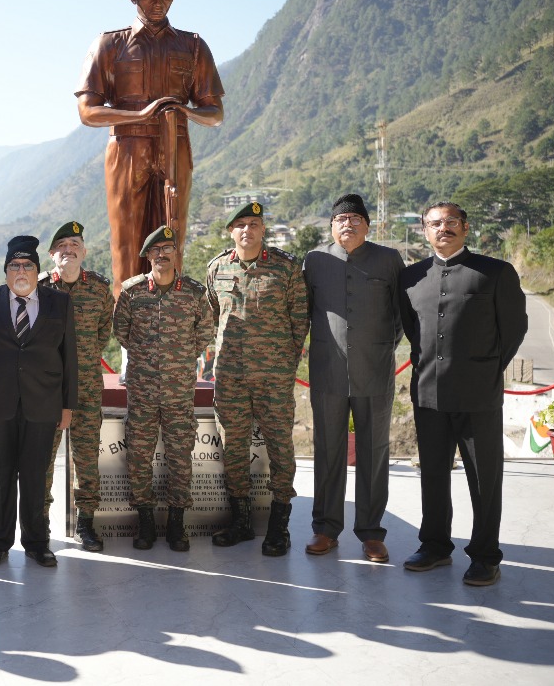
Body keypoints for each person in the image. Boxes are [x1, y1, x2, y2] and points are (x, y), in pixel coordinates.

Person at [76, 0, 224, 294]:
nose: (159, 1)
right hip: (127, 152)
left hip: (176, 148)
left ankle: (171, 314)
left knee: (172, 242)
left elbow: (215, 112)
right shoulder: (108, 45)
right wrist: (139, 114)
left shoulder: (193, 46)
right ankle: (127, 317)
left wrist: (184, 111)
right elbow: (87, 111)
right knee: (128, 249)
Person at [399, 202, 527, 586]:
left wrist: (484, 369)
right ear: (425, 231)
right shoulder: (410, 278)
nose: (444, 228)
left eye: (451, 221)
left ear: (465, 227)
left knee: (484, 480)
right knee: (433, 475)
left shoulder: (495, 272)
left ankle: (485, 556)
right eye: (435, 223)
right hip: (428, 394)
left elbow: (514, 330)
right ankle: (435, 545)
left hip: (478, 396)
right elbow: (412, 331)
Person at [302, 194, 404, 563]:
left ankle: (372, 534)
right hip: (327, 371)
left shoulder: (388, 259)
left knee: (374, 452)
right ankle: (326, 529)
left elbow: (401, 314)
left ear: (367, 225)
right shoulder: (315, 260)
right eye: (341, 219)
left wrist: (381, 348)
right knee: (328, 450)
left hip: (374, 371)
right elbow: (304, 312)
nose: (348, 224)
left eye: (355, 218)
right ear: (331, 226)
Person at [0, 236, 77, 568]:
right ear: (5, 271)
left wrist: (67, 405)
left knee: (35, 475)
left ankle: (37, 543)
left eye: (27, 265)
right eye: (14, 265)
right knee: (1, 476)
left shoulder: (59, 303)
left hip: (43, 402)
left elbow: (69, 357)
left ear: (37, 270)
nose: (21, 271)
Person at [205, 203, 308, 556]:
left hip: (273, 377)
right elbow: (213, 315)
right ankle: (241, 521)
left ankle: (279, 525)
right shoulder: (217, 268)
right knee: (233, 447)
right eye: (240, 225)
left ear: (263, 229)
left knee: (280, 447)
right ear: (230, 232)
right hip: (230, 376)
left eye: (254, 224)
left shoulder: (286, 267)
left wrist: (285, 362)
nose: (247, 230)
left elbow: (300, 319)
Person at [114, 225, 212, 551]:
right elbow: (122, 331)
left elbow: (205, 332)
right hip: (142, 391)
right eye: (155, 250)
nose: (162, 254)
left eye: (167, 248)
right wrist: (147, 360)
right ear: (148, 256)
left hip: (179, 391)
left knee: (180, 457)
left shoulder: (193, 293)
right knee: (139, 457)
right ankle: (145, 521)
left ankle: (176, 523)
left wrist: (178, 358)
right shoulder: (132, 292)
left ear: (175, 253)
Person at [38, 221, 113, 550]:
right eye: (62, 245)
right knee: (42, 458)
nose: (68, 250)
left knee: (86, 457)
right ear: (52, 254)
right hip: (46, 389)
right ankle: (40, 521)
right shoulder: (39, 288)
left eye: (75, 244)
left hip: (86, 387)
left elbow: (103, 333)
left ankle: (86, 523)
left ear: (84, 251)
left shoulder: (98, 288)